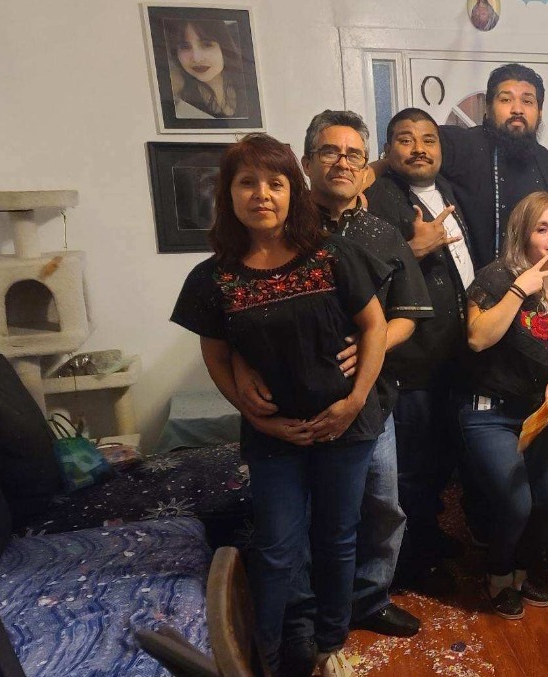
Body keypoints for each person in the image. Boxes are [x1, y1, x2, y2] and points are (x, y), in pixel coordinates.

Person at [170, 133, 385, 677]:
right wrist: (254, 415)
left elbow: (375, 327)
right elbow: (216, 354)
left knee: (337, 539)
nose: (262, 194)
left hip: (344, 427)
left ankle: (329, 646)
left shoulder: (332, 255)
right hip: (273, 436)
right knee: (275, 547)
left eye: (275, 182)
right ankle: (264, 660)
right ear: (228, 194)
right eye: (247, 183)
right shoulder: (213, 277)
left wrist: (355, 401)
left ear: (294, 191)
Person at [232, 112, 431, 668]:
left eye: (353, 154)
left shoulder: (381, 233)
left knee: (380, 505)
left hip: (370, 401)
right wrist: (240, 367)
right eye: (329, 152)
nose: (342, 163)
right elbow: (238, 307)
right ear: (306, 162)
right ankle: (303, 624)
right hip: (292, 401)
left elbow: (409, 313)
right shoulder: (278, 227)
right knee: (295, 522)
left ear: (365, 168)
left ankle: (367, 600)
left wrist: (372, 345)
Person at [462, 191, 548, 620]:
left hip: (535, 415)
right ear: (523, 235)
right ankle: (498, 575)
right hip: (488, 411)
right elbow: (477, 338)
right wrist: (520, 289)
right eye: (542, 228)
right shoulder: (498, 277)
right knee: (517, 502)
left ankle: (522, 568)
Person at [362, 107, 476, 589]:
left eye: (428, 139)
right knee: (413, 468)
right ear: (388, 150)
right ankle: (411, 564)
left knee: (441, 459)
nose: (419, 149)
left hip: (455, 356)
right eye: (405, 140)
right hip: (411, 361)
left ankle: (429, 536)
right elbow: (358, 273)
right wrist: (414, 250)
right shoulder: (376, 198)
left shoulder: (448, 190)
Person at [369, 63, 548, 268]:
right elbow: (402, 155)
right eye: (505, 99)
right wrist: (360, 183)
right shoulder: (462, 143)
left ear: (540, 112)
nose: (517, 109)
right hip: (475, 281)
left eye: (527, 101)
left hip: (532, 279)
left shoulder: (543, 158)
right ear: (488, 107)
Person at [163, 19, 249, 119]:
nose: (197, 58)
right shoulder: (176, 93)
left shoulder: (250, 83)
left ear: (224, 47)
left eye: (207, 45)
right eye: (185, 47)